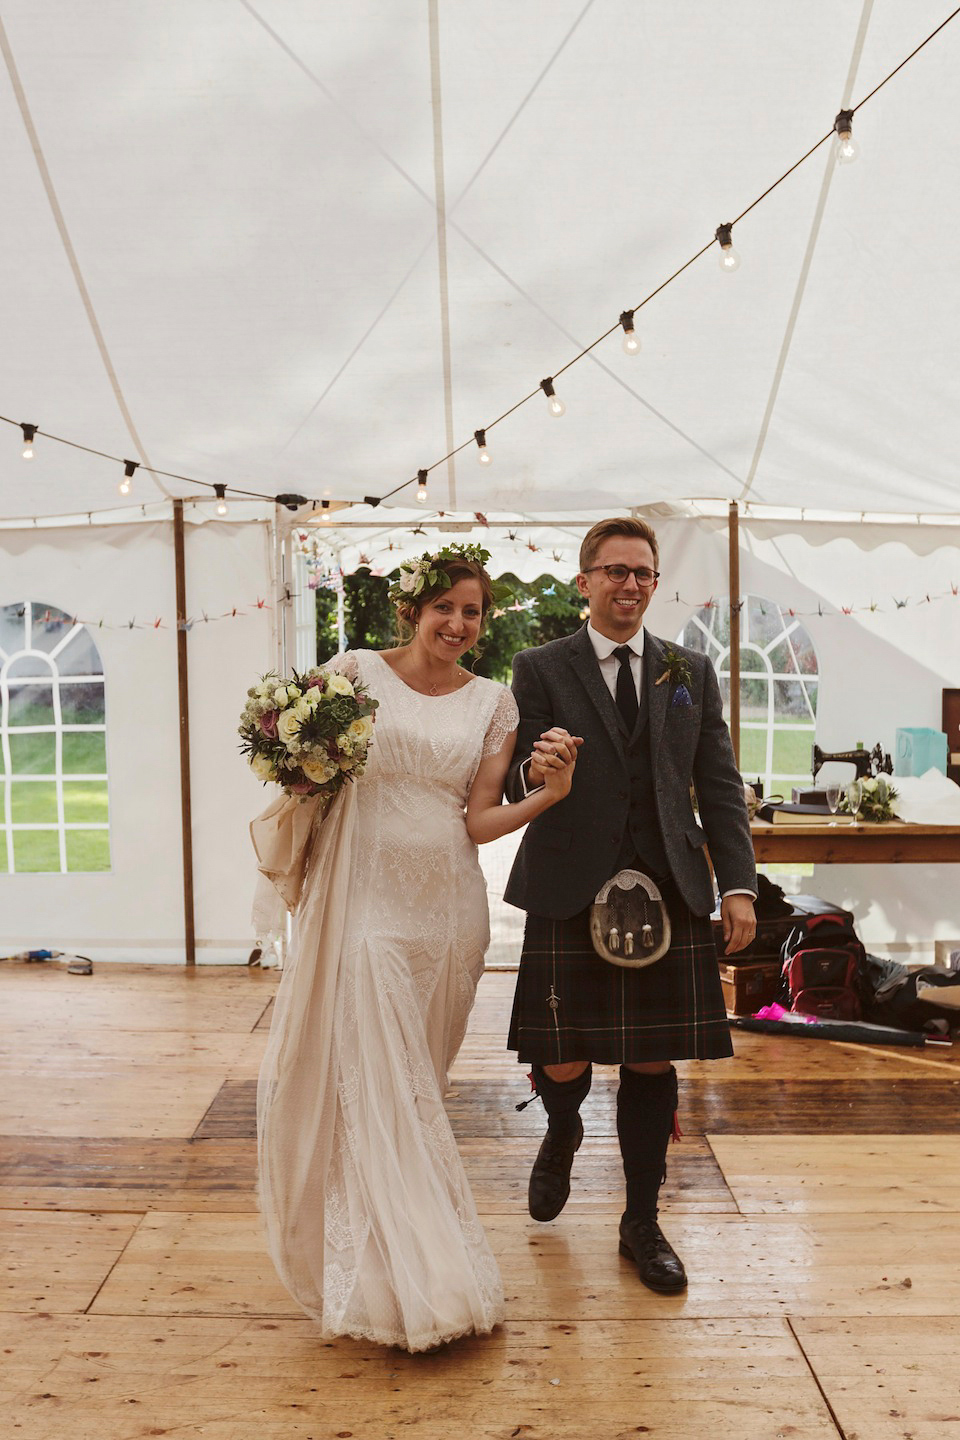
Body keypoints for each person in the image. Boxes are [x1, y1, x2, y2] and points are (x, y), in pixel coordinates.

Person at [254, 544, 575, 1352]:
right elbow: (310, 776)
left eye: (473, 613)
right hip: (364, 901)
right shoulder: (355, 672)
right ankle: (408, 1287)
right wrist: (300, 768)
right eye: (446, 609)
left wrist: (547, 796)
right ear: (413, 609)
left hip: (447, 914)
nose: (459, 625)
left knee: (415, 1087)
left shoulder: (495, 702)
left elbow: (475, 818)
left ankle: (403, 1270)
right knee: (376, 1083)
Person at [505, 516, 757, 1293]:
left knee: (652, 1059)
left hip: (670, 886)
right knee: (561, 1054)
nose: (630, 585)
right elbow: (514, 771)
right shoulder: (540, 666)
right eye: (614, 571)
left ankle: (641, 1221)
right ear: (584, 582)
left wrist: (738, 883)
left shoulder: (689, 670)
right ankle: (562, 1124)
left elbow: (716, 783)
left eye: (643, 573)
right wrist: (536, 770)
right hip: (568, 881)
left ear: (655, 582)